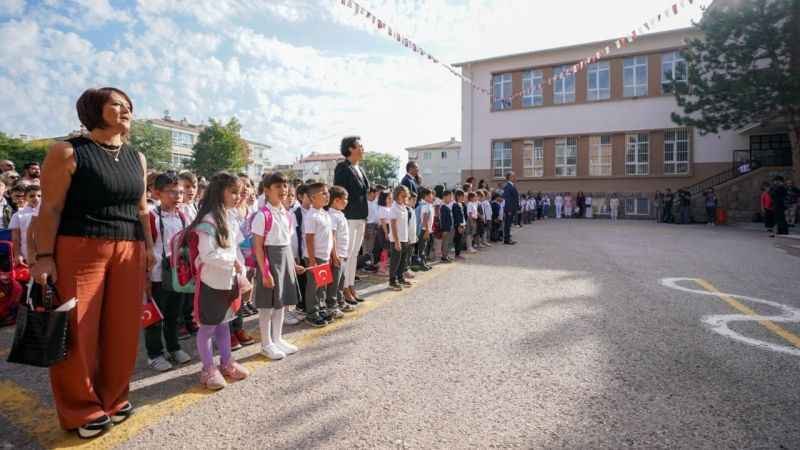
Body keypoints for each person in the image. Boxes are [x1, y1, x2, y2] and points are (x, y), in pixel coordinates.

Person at [32, 87, 154, 438]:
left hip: (129, 249)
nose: (127, 109)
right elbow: (50, 208)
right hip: (79, 247)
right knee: (78, 329)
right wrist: (43, 257)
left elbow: (142, 209)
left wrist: (148, 248)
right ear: (94, 109)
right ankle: (81, 409)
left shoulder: (138, 157)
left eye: (129, 104)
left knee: (123, 329)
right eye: (117, 103)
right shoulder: (67, 151)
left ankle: (114, 398)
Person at [191, 172, 250, 391]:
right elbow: (207, 254)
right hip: (211, 282)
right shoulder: (208, 220)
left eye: (239, 192)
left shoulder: (229, 216)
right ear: (219, 192)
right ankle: (208, 369)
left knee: (224, 324)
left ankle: (227, 363)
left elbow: (235, 249)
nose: (237, 196)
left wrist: (240, 270)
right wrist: (232, 263)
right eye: (233, 192)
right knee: (207, 328)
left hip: (228, 281)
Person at [145, 172, 192, 372]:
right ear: (157, 193)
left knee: (174, 314)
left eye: (180, 192)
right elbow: (143, 251)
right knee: (155, 317)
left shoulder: (182, 215)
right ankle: (154, 354)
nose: (177, 196)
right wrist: (145, 278)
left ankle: (174, 347)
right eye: (171, 192)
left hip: (177, 275)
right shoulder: (151, 217)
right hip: (156, 276)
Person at [252, 172, 301, 360]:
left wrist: (292, 264)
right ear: (267, 191)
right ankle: (266, 344)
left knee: (280, 304)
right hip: (269, 262)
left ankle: (278, 338)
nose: (283, 190)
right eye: (278, 186)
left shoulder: (286, 214)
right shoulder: (262, 216)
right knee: (267, 306)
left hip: (284, 259)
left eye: (285, 186)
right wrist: (265, 272)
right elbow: (258, 246)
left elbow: (286, 242)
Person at [333, 136, 370, 305]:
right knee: (346, 254)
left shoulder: (359, 168)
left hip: (360, 216)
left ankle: (351, 285)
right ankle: (343, 289)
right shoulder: (342, 168)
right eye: (360, 146)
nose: (363, 149)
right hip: (348, 217)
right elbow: (339, 193)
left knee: (354, 254)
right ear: (350, 149)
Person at [303, 182, 334, 328]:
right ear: (313, 198)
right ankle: (311, 313)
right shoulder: (311, 215)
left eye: (327, 192)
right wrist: (312, 259)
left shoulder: (324, 213)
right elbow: (309, 238)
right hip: (315, 256)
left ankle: (321, 308)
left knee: (322, 285)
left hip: (324, 255)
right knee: (313, 287)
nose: (327, 195)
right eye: (323, 193)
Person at [327, 185, 356, 315]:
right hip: (337, 254)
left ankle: (340, 301)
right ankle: (331, 306)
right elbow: (331, 236)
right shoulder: (332, 215)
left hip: (343, 253)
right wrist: (334, 255)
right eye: (345, 199)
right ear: (336, 201)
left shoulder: (340, 214)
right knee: (334, 282)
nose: (347, 201)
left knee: (341, 280)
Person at [388, 185, 412, 291]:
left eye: (406, 196)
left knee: (403, 260)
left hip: (404, 238)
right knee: (395, 261)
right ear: (397, 195)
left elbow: (405, 224)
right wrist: (397, 241)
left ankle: (400, 278)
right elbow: (393, 225)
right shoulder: (394, 208)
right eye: (403, 196)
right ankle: (392, 281)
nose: (405, 198)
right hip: (396, 239)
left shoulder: (404, 207)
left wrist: (407, 238)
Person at [10, 184, 40, 265]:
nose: (36, 198)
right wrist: (17, 254)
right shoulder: (17, 215)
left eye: (39, 195)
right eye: (32, 196)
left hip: (45, 255)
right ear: (25, 198)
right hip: (27, 255)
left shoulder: (48, 213)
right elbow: (15, 238)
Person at [502, 173, 519, 245]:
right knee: (507, 224)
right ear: (510, 177)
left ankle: (508, 238)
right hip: (509, 209)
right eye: (514, 176)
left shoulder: (511, 186)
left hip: (512, 208)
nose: (515, 177)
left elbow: (515, 198)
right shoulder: (507, 186)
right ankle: (507, 239)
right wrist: (508, 209)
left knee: (509, 224)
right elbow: (507, 199)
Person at [439, 190, 454, 262]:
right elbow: (443, 219)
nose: (451, 198)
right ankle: (444, 257)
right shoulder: (443, 207)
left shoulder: (448, 206)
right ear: (444, 197)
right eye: (449, 196)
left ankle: (446, 255)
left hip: (449, 227)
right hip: (446, 229)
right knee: (445, 242)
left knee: (448, 242)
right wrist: (444, 229)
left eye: (451, 196)